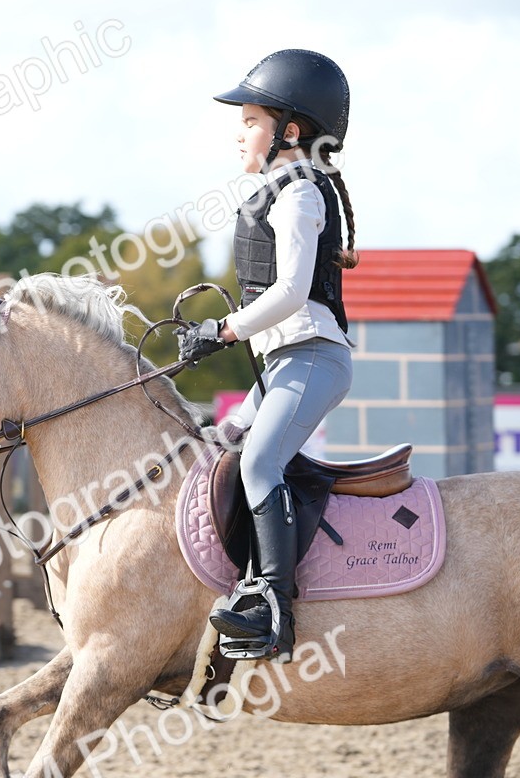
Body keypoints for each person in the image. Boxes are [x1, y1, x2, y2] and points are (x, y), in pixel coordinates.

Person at [179, 50, 358, 661]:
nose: (238, 133)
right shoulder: (277, 190)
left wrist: (221, 331)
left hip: (312, 358)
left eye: (249, 121)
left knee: (257, 466)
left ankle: (273, 604)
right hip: (286, 363)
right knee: (222, 442)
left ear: (289, 130)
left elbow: (289, 292)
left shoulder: (300, 195)